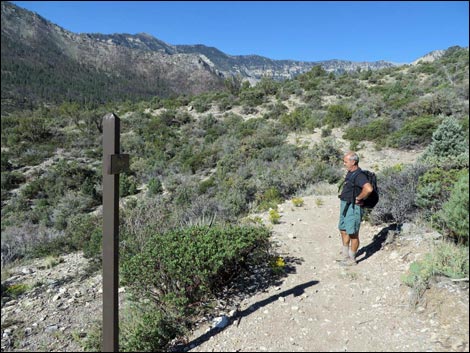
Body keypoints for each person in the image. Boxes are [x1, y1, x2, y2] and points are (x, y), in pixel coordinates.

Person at [337, 152, 373, 266]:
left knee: (353, 233)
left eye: (346, 161)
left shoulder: (359, 175)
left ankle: (352, 259)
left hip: (354, 207)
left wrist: (359, 198)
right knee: (343, 229)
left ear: (353, 162)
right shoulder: (351, 172)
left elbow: (368, 189)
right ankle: (345, 255)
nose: (344, 163)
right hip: (346, 205)